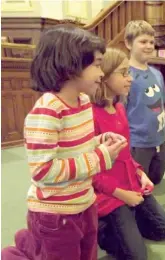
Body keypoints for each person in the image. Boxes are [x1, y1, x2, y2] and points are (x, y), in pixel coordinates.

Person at [1, 25, 127, 260]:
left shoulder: (83, 101)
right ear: (71, 66)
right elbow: (43, 171)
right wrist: (100, 158)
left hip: (84, 203)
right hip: (55, 216)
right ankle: (20, 250)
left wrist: (101, 141)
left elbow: (78, 145)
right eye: (97, 65)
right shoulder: (47, 112)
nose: (102, 74)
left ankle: (30, 244)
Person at [90, 47, 165, 260]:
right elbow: (92, 172)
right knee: (137, 257)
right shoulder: (91, 115)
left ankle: (128, 224)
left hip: (130, 183)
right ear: (105, 76)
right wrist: (123, 195)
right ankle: (104, 230)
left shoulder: (119, 108)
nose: (130, 79)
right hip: (110, 193)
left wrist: (140, 174)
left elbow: (126, 155)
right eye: (124, 73)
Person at [124, 20, 165, 185]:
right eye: (143, 42)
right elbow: (120, 114)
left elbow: (161, 105)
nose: (149, 46)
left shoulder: (157, 74)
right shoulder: (125, 76)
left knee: (155, 183)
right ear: (128, 44)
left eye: (151, 42)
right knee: (137, 188)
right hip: (138, 146)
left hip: (162, 142)